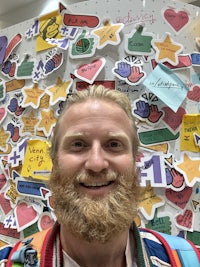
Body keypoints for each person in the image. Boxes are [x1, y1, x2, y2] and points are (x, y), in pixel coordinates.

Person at [3, 85, 200, 267]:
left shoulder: (188, 260)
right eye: (78, 144)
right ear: (54, 163)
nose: (96, 164)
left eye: (114, 144)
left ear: (134, 162)